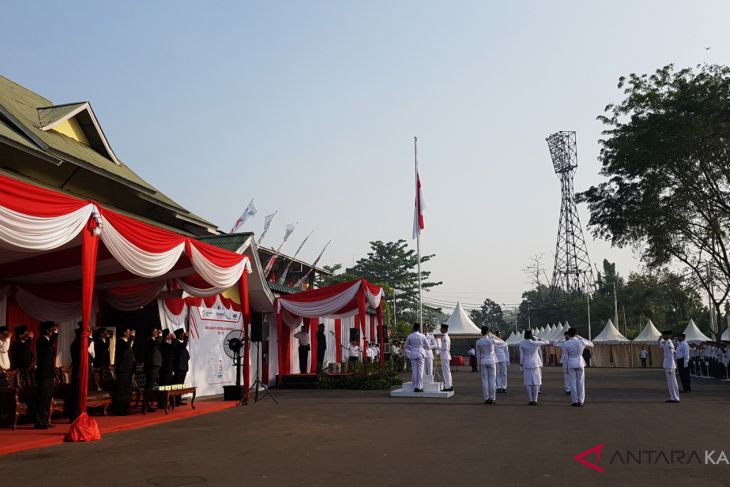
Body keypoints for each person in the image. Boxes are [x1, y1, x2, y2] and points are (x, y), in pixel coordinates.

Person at [34, 321, 58, 429]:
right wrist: (55, 333)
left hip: (49, 373)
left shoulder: (49, 340)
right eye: (51, 329)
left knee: (48, 398)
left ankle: (45, 420)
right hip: (43, 374)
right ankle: (39, 422)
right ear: (47, 330)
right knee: (42, 398)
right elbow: (48, 345)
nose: (52, 331)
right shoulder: (41, 340)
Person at [562, 328, 594, 407]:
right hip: (580, 362)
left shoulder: (566, 344)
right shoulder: (581, 341)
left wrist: (565, 367)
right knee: (580, 382)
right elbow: (591, 344)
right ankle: (581, 400)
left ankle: (574, 401)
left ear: (568, 334)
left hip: (571, 363)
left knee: (572, 383)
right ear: (576, 334)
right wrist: (580, 337)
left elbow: (565, 356)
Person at [519, 329, 550, 406]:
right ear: (531, 335)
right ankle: (535, 400)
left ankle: (530, 400)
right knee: (536, 382)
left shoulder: (522, 343)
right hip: (535, 364)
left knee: (527, 383)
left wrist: (521, 364)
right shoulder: (535, 343)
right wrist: (539, 339)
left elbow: (521, 356)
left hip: (526, 364)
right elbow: (547, 342)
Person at [476, 326, 504, 404]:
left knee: (484, 380)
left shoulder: (478, 342)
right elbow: (502, 341)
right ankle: (492, 398)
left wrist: (478, 365)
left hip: (483, 361)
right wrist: (493, 335)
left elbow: (478, 354)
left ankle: (486, 398)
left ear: (481, 332)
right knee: (492, 380)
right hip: (491, 361)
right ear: (488, 332)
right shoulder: (492, 340)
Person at [114, 327, 136, 415]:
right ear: (124, 333)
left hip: (129, 369)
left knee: (127, 390)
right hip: (122, 369)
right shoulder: (120, 341)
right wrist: (132, 336)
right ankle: (119, 410)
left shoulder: (128, 342)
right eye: (128, 331)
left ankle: (126, 408)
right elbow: (126, 346)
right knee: (121, 390)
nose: (130, 333)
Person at [404, 323, 428, 392]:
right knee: (420, 371)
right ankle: (420, 387)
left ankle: (415, 386)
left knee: (414, 370)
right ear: (419, 328)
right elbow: (428, 346)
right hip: (421, 353)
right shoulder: (422, 336)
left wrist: (412, 348)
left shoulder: (410, 336)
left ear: (413, 328)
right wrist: (421, 347)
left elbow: (406, 346)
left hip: (413, 354)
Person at [658, 330, 680, 403]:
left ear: (668, 336)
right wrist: (659, 339)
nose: (663, 336)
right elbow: (660, 346)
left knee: (671, 382)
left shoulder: (669, 344)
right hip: (668, 365)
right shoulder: (667, 343)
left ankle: (674, 397)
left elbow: (671, 356)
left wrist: (670, 367)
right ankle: (674, 397)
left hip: (669, 365)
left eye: (664, 335)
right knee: (671, 382)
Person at [172, 328, 190, 405]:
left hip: (183, 367)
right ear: (179, 335)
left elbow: (187, 356)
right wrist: (186, 337)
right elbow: (183, 346)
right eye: (182, 335)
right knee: (177, 384)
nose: (184, 336)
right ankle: (175, 401)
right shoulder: (176, 342)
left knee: (181, 384)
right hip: (178, 367)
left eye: (184, 335)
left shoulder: (182, 345)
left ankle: (178, 400)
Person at [144, 327, 163, 392]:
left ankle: (148, 399)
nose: (157, 333)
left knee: (153, 383)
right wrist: (160, 335)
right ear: (152, 332)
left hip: (156, 364)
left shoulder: (155, 341)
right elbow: (156, 343)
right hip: (152, 364)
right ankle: (146, 400)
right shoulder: (149, 340)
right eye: (155, 331)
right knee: (150, 383)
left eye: (157, 331)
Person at [439, 323, 453, 392]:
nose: (440, 329)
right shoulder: (446, 336)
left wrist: (438, 347)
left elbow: (445, 348)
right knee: (447, 372)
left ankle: (447, 386)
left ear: (444, 329)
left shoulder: (445, 337)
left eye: (441, 328)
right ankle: (449, 385)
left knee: (446, 372)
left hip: (445, 355)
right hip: (445, 355)